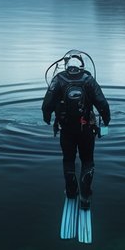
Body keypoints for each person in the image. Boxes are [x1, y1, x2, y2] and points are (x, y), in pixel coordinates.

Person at [42, 51, 110, 211]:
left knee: (68, 160)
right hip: (86, 129)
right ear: (82, 65)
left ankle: (71, 192)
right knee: (87, 160)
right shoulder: (89, 80)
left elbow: (46, 106)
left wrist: (47, 119)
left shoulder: (58, 79)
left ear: (67, 65)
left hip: (66, 129)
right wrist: (106, 121)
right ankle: (85, 197)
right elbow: (103, 104)